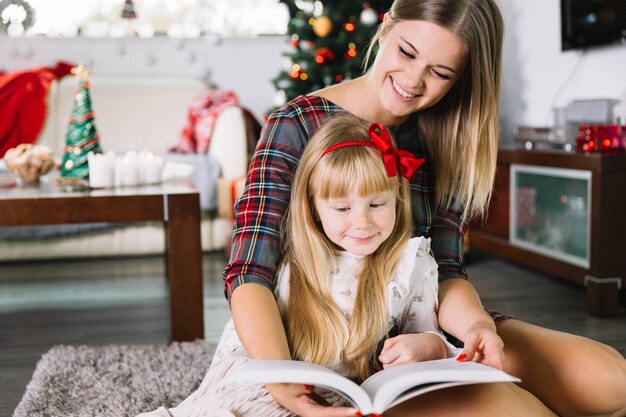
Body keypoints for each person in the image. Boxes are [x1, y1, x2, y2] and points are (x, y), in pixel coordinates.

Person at [224, 0, 626, 416]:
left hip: (421, 332)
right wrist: (281, 378)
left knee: (612, 380)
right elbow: (250, 272)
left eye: (440, 72)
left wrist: (478, 327)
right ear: (384, 30)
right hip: (327, 346)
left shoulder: (447, 139)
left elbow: (446, 271)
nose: (413, 81)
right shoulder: (295, 125)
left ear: (461, 80)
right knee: (515, 410)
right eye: (406, 52)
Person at [139, 114, 507, 417]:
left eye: (377, 205)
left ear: (397, 198)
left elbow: (429, 333)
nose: (362, 223)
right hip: (261, 386)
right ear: (314, 207)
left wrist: (431, 347)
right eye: (343, 209)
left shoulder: (410, 263)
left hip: (339, 400)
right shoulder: (289, 262)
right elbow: (241, 351)